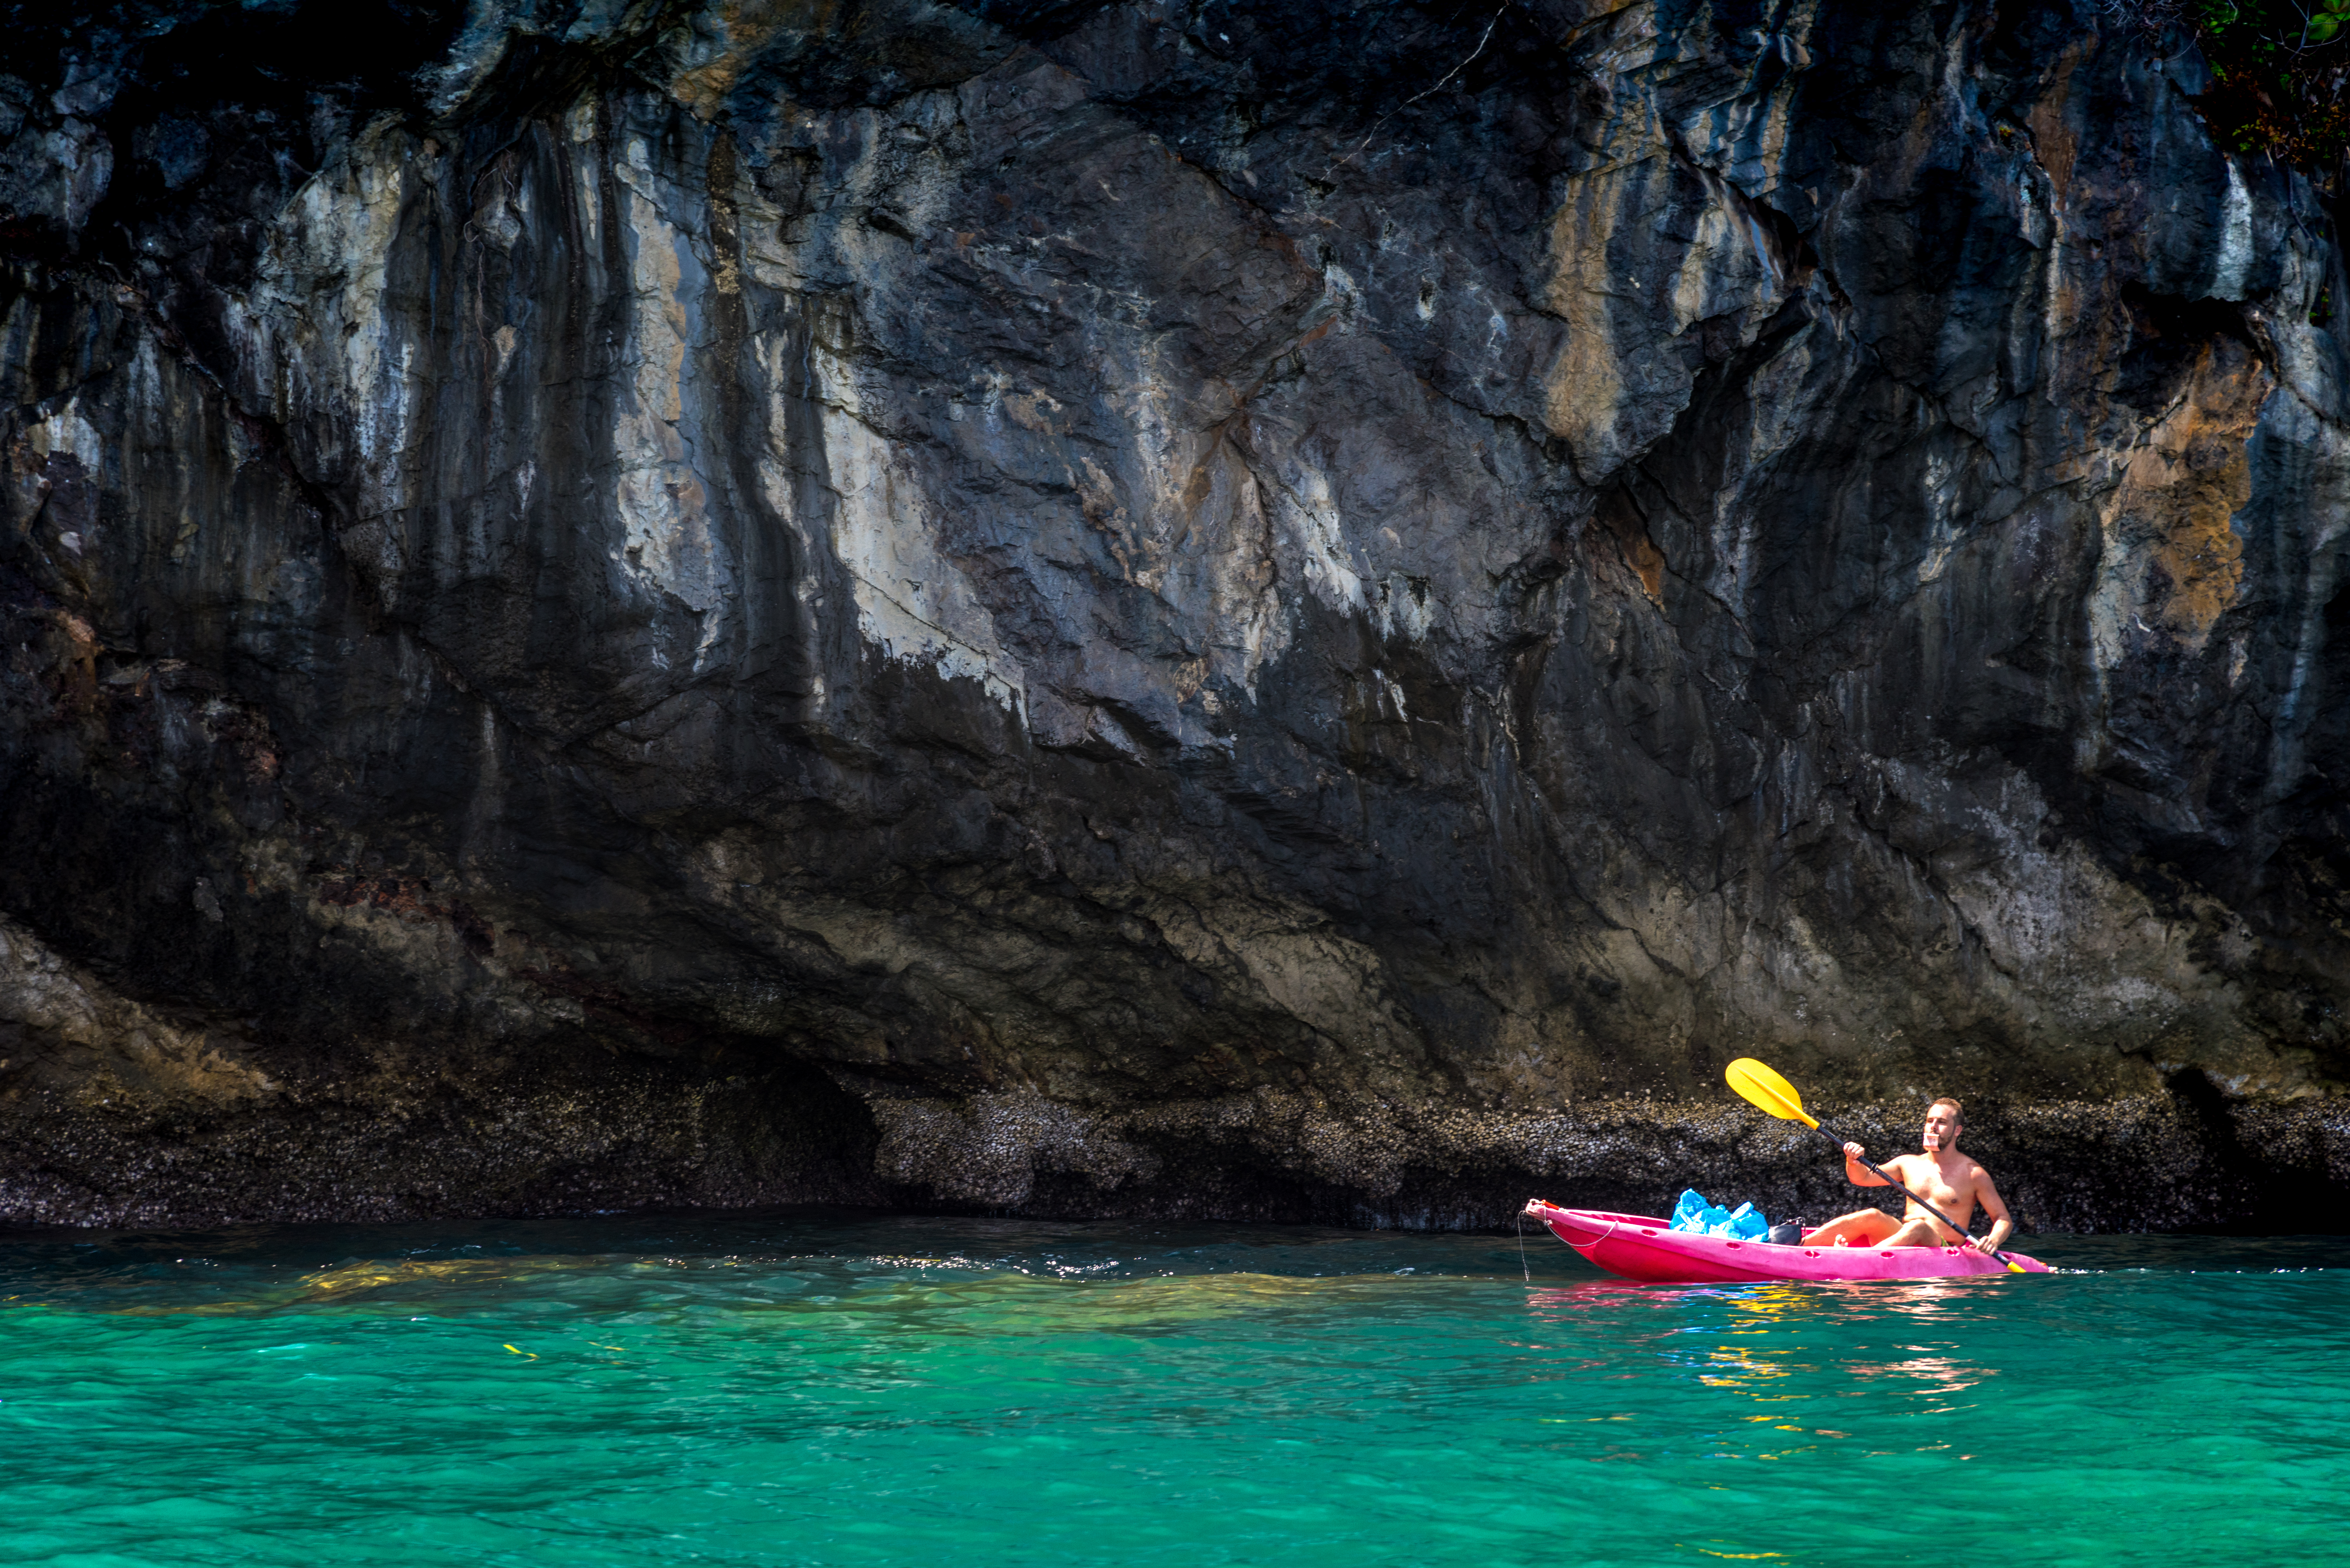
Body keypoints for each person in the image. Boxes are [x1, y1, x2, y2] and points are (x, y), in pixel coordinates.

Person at [1801, 1096, 2015, 1253]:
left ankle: (1857, 1259)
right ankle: (1798, 1247)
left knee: (1918, 1227)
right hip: (1905, 1237)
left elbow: (2003, 1218)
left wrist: (1994, 1239)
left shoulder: (1974, 1173)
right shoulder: (1909, 1163)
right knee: (1873, 1215)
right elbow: (1861, 1178)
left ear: (1957, 1130)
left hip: (1942, 1247)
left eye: (1941, 1122)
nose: (1933, 1127)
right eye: (1930, 1121)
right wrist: (1853, 1160)